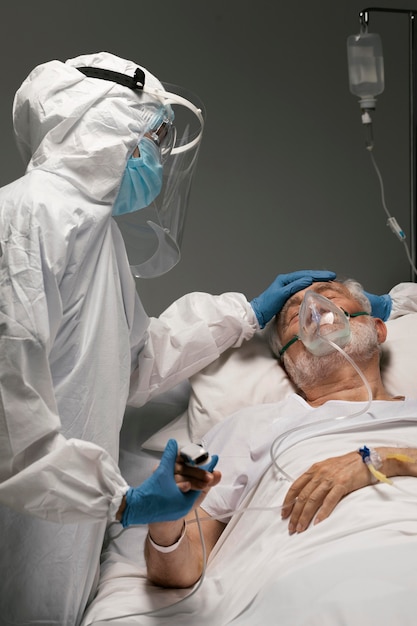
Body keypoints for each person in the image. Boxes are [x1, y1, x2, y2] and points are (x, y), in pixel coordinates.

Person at [0, 49, 341, 625]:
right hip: (28, 518)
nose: (154, 158)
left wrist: (247, 312)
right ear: (103, 127)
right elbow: (10, 409)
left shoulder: (93, 234)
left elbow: (131, 363)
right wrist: (122, 501)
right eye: (149, 139)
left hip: (66, 527)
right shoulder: (26, 221)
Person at [144, 277, 417, 592]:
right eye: (295, 317)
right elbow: (182, 571)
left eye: (330, 297)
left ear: (378, 330)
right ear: (290, 362)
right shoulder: (251, 427)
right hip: (314, 580)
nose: (316, 312)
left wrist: (378, 461)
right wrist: (165, 528)